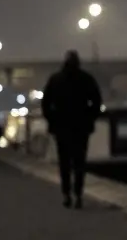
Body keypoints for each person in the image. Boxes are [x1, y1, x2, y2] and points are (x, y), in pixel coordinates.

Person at [40, 50, 103, 209]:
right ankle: (78, 194)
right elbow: (96, 101)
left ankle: (66, 194)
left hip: (61, 127)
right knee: (79, 162)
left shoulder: (55, 79)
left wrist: (52, 120)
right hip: (81, 127)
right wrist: (90, 118)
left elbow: (46, 103)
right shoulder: (86, 79)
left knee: (64, 162)